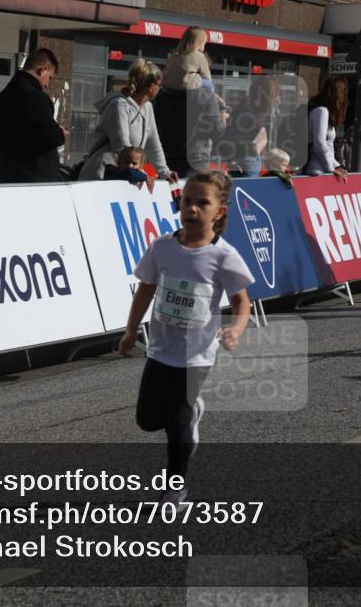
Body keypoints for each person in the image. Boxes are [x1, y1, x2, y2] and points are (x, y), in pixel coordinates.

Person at [117, 172, 255, 507]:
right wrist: (131, 330)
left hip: (197, 353)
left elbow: (242, 303)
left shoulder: (223, 256)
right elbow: (145, 290)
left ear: (219, 211)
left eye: (202, 203)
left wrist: (236, 330)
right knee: (147, 420)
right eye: (187, 201)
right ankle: (192, 413)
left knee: (176, 420)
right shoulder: (163, 247)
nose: (192, 208)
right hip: (161, 349)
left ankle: (175, 492)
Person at [79, 59, 178, 183]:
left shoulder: (148, 107)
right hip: (101, 175)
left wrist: (165, 172)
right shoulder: (119, 105)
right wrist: (143, 174)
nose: (160, 88)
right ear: (151, 87)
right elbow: (122, 148)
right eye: (159, 85)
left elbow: (153, 144)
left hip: (127, 175)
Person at [0, 48, 67, 183]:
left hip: (7, 175)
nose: (47, 84)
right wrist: (60, 133)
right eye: (49, 77)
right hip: (33, 180)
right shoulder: (34, 96)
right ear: (42, 69)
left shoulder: (3, 97)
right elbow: (51, 136)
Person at [153, 69, 227, 178]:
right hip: (195, 163)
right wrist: (222, 109)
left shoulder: (163, 95)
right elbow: (217, 132)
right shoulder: (206, 95)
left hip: (167, 161)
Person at [220, 75, 279, 178]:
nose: (277, 99)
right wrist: (232, 161)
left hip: (248, 163)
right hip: (246, 165)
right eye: (276, 95)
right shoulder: (248, 112)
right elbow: (230, 138)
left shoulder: (253, 111)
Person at [304, 76, 349, 180]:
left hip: (322, 169)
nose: (344, 97)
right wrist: (331, 168)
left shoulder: (323, 111)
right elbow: (319, 143)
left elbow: (327, 147)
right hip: (317, 170)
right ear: (337, 93)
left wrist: (336, 166)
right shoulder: (322, 111)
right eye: (343, 92)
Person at [163, 26, 213, 91]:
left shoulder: (174, 55)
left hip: (169, 86)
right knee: (209, 84)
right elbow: (207, 77)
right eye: (204, 44)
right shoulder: (199, 56)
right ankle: (211, 96)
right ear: (199, 43)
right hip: (186, 86)